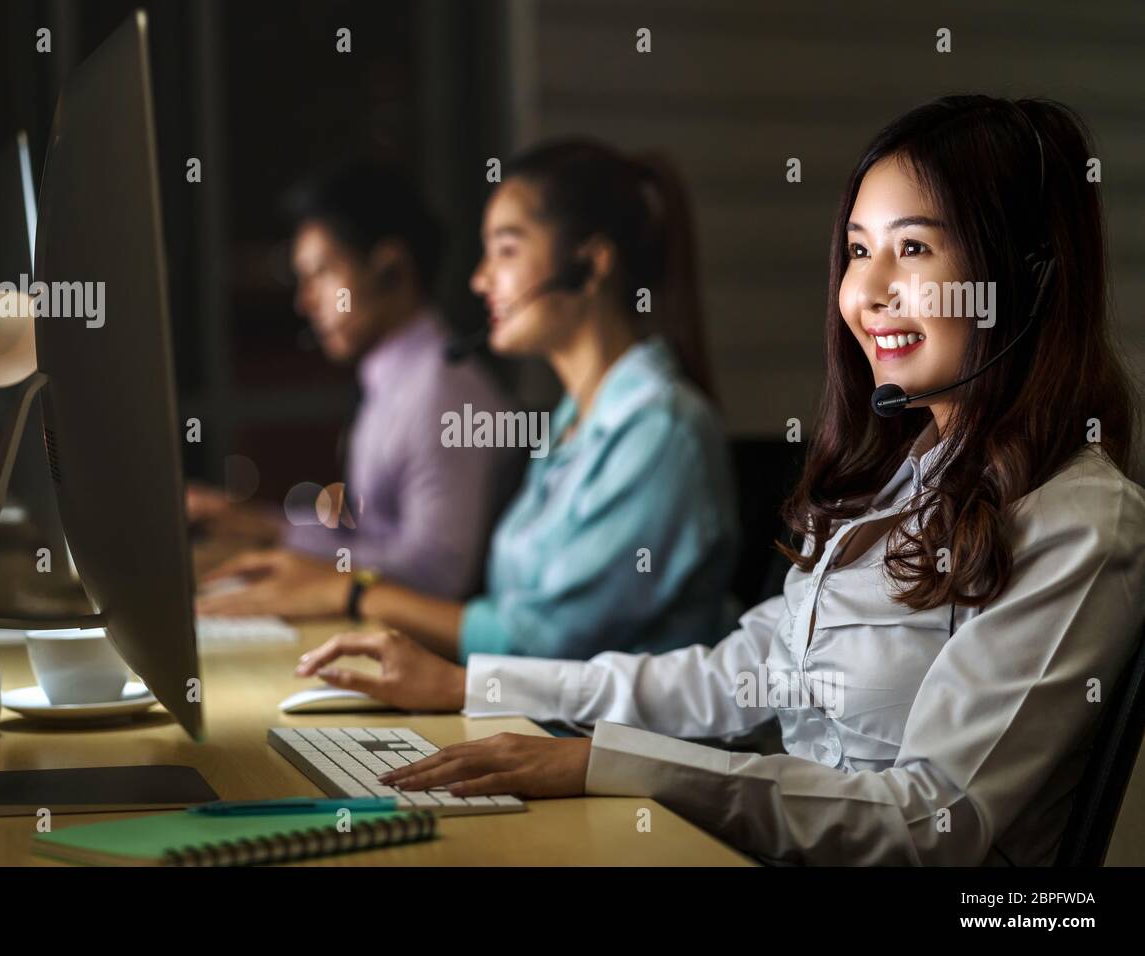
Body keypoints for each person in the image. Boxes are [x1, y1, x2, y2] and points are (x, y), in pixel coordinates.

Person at [292, 97, 1145, 866]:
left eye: (912, 248)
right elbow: (735, 675)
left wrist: (615, 766)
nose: (868, 291)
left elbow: (935, 822)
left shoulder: (1081, 522)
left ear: (1027, 282)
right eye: (856, 251)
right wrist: (475, 686)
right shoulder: (901, 480)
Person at [201, 139, 741, 661]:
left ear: (592, 264)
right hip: (533, 720)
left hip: (602, 744)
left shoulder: (658, 429)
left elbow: (543, 641)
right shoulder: (574, 421)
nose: (481, 280)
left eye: (506, 249)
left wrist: (348, 591)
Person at [191, 160, 520, 600]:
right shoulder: (396, 378)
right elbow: (372, 538)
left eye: (322, 274)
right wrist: (257, 525)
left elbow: (437, 572)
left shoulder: (442, 391)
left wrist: (277, 539)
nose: (305, 303)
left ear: (390, 268)